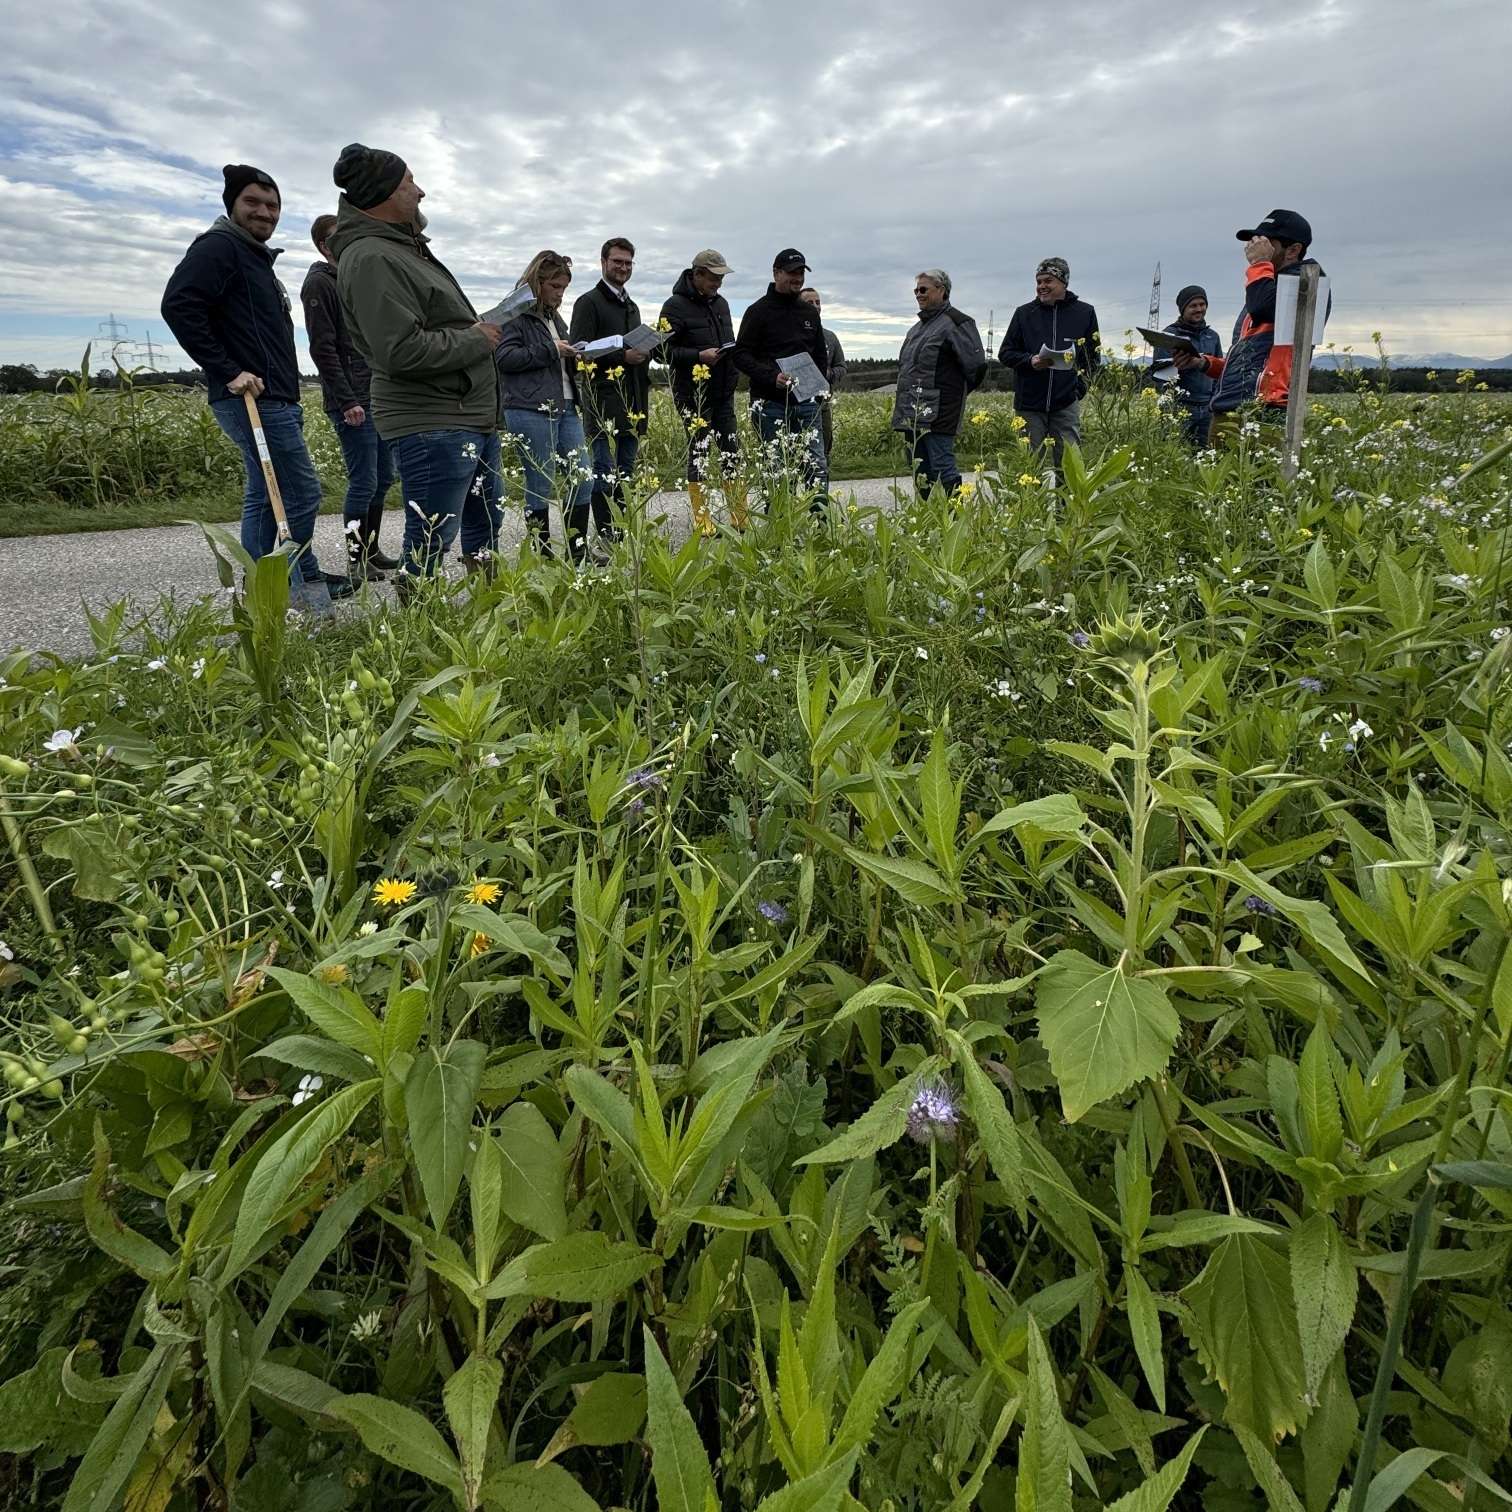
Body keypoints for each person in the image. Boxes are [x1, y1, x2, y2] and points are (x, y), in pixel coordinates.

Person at [162, 164, 351, 598]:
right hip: (252, 397)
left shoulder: (251, 255)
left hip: (275, 397)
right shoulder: (219, 248)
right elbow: (179, 305)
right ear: (232, 204)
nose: (265, 212)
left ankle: (262, 580)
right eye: (253, 202)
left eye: (272, 204)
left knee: (265, 496)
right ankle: (291, 585)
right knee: (301, 492)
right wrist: (228, 370)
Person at [328, 143, 502, 589]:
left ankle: (492, 617)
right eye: (410, 183)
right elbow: (400, 350)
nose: (420, 192)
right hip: (433, 418)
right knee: (428, 543)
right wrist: (475, 337)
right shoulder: (372, 257)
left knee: (483, 528)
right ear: (386, 193)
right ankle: (419, 642)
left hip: (465, 412)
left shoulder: (402, 249)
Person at [1174, 210, 1327, 448]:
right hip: (1229, 407)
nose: (1255, 247)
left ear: (1293, 250)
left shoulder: (1306, 284)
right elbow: (1247, 362)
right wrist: (1203, 363)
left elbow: (1264, 310)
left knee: (1257, 483)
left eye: (1266, 243)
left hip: (1266, 409)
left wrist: (1259, 264)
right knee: (1220, 484)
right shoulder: (1263, 292)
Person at [301, 213, 399, 578]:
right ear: (325, 246)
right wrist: (346, 400)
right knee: (364, 480)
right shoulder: (320, 285)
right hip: (353, 398)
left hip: (376, 392)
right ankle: (356, 559)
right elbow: (323, 349)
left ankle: (372, 552)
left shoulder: (352, 280)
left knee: (383, 477)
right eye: (339, 238)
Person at [496, 251, 595, 560]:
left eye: (563, 287)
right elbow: (504, 358)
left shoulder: (554, 316)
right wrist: (551, 349)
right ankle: (542, 554)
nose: (560, 293)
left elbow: (558, 357)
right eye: (555, 286)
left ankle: (577, 553)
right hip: (528, 408)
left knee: (582, 477)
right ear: (536, 282)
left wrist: (578, 355)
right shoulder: (513, 313)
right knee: (540, 481)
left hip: (566, 405)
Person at [568, 237, 652, 555]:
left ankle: (621, 531)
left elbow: (632, 347)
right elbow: (579, 352)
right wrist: (622, 358)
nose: (623, 267)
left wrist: (646, 351)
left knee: (625, 474)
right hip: (603, 399)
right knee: (605, 473)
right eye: (617, 261)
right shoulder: (588, 303)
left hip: (633, 400)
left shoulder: (632, 305)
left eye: (628, 262)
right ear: (603, 262)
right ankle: (607, 537)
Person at [734, 248, 830, 507]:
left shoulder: (809, 314)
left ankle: (819, 528)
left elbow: (820, 356)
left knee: (816, 467)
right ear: (776, 273)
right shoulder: (758, 311)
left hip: (807, 403)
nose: (797, 278)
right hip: (770, 404)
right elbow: (740, 355)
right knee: (775, 471)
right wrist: (771, 376)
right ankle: (778, 534)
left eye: (801, 272)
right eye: (791, 273)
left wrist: (821, 388)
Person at [660, 249, 746, 536]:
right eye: (713, 277)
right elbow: (663, 353)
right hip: (692, 393)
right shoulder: (673, 306)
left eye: (721, 278)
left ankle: (740, 517)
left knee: (731, 452)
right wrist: (699, 355)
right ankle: (703, 521)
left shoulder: (721, 304)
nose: (718, 283)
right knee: (699, 453)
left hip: (723, 390)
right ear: (697, 274)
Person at [997, 256, 1101, 473]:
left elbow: (1092, 358)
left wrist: (1078, 390)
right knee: (1029, 467)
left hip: (1065, 402)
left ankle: (1066, 508)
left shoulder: (1085, 313)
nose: (1042, 287)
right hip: (1029, 404)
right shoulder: (1024, 313)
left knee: (1069, 467)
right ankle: (1031, 507)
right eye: (1038, 282)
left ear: (1063, 282)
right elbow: (1006, 353)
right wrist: (1030, 360)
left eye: (1048, 281)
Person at [891, 269, 987, 495]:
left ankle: (954, 521)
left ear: (941, 290)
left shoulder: (957, 322)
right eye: (915, 290)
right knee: (920, 471)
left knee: (942, 467)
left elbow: (977, 367)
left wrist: (954, 395)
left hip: (941, 411)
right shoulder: (916, 329)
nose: (918, 294)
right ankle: (928, 521)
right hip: (912, 412)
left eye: (923, 289)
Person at [1150, 285, 1222, 447]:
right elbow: (1159, 376)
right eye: (1193, 306)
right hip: (1178, 406)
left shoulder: (1213, 337)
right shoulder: (1169, 335)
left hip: (1206, 408)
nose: (1199, 309)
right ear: (1183, 309)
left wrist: (1215, 401)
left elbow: (1219, 372)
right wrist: (1178, 368)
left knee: (1204, 456)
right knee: (1174, 454)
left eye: (1202, 305)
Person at [799, 287, 846, 460]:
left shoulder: (830, 337)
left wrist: (827, 373)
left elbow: (841, 367)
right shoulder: (791, 335)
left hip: (822, 405)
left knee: (822, 455)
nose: (815, 306)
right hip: (794, 405)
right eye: (810, 302)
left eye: (818, 302)